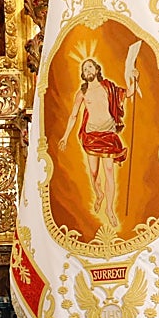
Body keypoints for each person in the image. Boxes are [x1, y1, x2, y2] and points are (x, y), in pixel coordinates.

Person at [58, 57, 138, 230]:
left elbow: (129, 93)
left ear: (96, 69)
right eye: (85, 69)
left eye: (90, 67)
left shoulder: (108, 87)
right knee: (94, 172)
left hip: (108, 134)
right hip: (92, 136)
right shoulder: (82, 93)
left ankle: (109, 208)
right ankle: (99, 193)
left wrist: (134, 78)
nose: (88, 71)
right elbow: (73, 115)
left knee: (109, 171)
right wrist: (65, 136)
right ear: (83, 74)